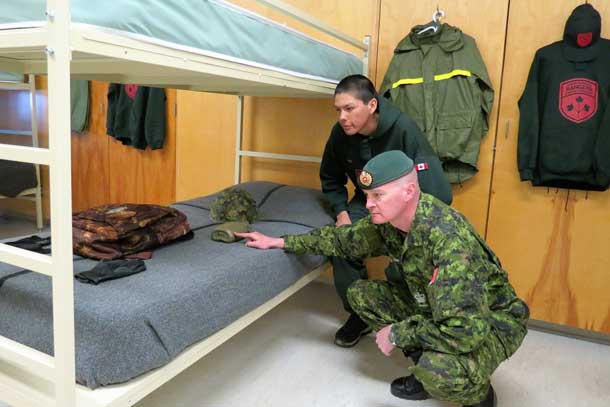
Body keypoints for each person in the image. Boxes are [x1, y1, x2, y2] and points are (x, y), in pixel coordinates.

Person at [236, 150, 528, 407]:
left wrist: (398, 333)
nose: (370, 204)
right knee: (361, 294)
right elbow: (342, 240)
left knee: (441, 371)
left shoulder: (448, 240)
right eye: (368, 196)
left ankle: (477, 394)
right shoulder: (390, 223)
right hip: (435, 308)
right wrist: (281, 242)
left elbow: (466, 330)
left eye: (379, 195)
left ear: (409, 191)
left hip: (490, 321)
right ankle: (422, 364)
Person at [320, 74, 452, 347]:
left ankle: (414, 321)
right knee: (343, 243)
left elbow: (438, 192)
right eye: (338, 110)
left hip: (404, 209)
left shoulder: (403, 128)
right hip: (366, 202)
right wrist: (341, 213)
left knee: (411, 259)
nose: (342, 117)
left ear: (371, 105)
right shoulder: (340, 134)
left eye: (349, 109)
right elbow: (330, 178)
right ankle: (359, 315)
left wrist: (407, 225)